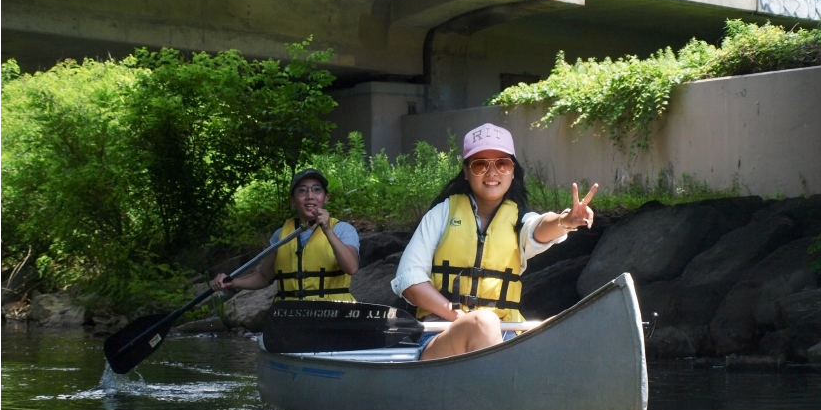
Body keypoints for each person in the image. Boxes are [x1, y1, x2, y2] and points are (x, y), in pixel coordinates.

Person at [391, 124, 594, 359]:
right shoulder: (442, 214)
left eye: (502, 163)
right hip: (440, 334)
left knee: (564, 326)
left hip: (507, 332)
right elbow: (410, 281)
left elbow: (538, 229)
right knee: (484, 322)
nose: (492, 172)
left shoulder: (520, 219)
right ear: (466, 171)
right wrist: (463, 319)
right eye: (479, 164)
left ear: (512, 171)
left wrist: (565, 220)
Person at [217, 168, 362, 302]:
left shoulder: (343, 230)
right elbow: (264, 276)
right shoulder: (281, 235)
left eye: (316, 190)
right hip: (290, 315)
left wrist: (327, 230)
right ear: (292, 200)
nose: (310, 196)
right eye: (302, 191)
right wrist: (233, 282)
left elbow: (351, 268)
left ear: (326, 198)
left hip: (332, 313)